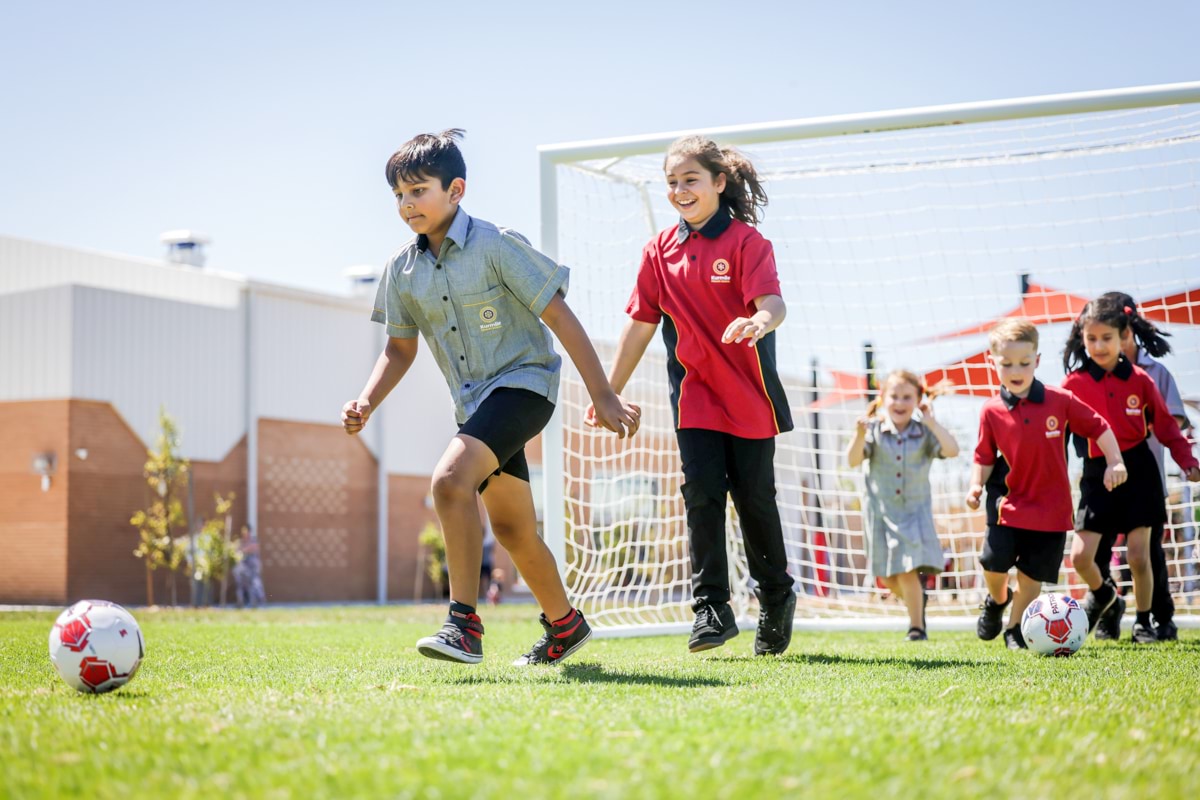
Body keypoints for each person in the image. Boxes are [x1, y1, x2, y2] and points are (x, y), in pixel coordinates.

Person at [343, 129, 640, 666]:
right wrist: (366, 400)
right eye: (399, 196)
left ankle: (463, 625)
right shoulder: (401, 271)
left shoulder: (497, 245)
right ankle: (565, 626)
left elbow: (560, 318)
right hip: (477, 406)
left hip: (525, 386)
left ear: (455, 190)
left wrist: (604, 393)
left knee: (450, 481)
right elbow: (399, 350)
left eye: (419, 191)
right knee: (510, 527)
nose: (408, 204)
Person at [587, 135, 797, 655]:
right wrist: (607, 392)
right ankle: (711, 608)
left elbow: (773, 301)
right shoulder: (659, 251)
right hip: (695, 398)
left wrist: (758, 320)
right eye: (672, 183)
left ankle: (775, 597)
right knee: (700, 495)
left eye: (691, 180)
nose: (680, 191)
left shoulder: (748, 244)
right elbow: (639, 326)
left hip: (750, 397)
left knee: (754, 501)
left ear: (719, 183)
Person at [966, 319, 1124, 650]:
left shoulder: (1059, 400)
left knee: (1031, 577)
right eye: (1007, 363)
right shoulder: (990, 411)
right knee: (994, 565)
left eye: (1024, 362)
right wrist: (975, 486)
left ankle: (1014, 631)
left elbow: (1098, 426)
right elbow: (983, 456)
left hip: (1051, 510)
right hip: (1005, 505)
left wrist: (1115, 460)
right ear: (992, 362)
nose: (1016, 369)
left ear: (1037, 361)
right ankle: (996, 601)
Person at [1061, 295, 1200, 643]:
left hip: (1140, 470)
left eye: (1107, 338)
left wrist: (1188, 462)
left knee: (1140, 556)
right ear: (1082, 339)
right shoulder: (1072, 386)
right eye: (1091, 339)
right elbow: (1055, 435)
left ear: (1123, 335)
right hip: (1097, 474)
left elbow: (1168, 427)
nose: (1099, 345)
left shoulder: (1142, 379)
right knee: (1081, 556)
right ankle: (1108, 598)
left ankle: (1143, 621)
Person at [847, 371, 959, 641]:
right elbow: (852, 460)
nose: (899, 402)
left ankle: (916, 627)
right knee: (887, 578)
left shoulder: (924, 431)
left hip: (913, 514)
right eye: (894, 396)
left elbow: (953, 450)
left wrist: (932, 422)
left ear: (919, 400)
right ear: (883, 399)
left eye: (907, 397)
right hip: (882, 515)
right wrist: (859, 435)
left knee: (907, 570)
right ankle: (917, 606)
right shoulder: (873, 430)